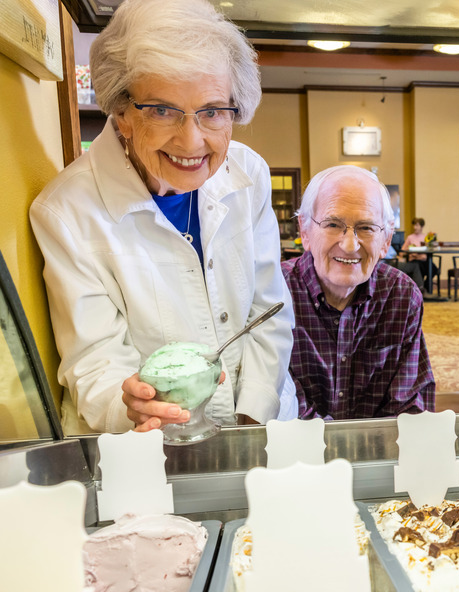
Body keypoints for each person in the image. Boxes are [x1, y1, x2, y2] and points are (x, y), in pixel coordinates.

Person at [29, 0, 295, 433]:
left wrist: (252, 418)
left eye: (211, 111)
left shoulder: (250, 174)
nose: (191, 141)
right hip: (150, 446)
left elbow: (269, 309)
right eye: (162, 110)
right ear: (121, 111)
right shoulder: (67, 212)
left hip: (263, 427)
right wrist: (134, 405)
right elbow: (93, 363)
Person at [281, 166, 435, 419]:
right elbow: (278, 404)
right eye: (332, 224)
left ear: (386, 239)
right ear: (305, 231)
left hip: (378, 451)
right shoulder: (275, 293)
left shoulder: (401, 297)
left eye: (366, 228)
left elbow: (409, 404)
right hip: (298, 453)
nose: (350, 245)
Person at [400, 217, 438, 285]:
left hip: (424, 260)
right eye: (414, 225)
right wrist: (410, 253)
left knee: (434, 269)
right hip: (414, 261)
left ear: (422, 226)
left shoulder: (426, 237)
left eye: (417, 225)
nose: (415, 227)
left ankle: (426, 285)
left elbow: (430, 249)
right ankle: (421, 287)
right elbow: (402, 252)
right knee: (419, 267)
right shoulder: (410, 237)